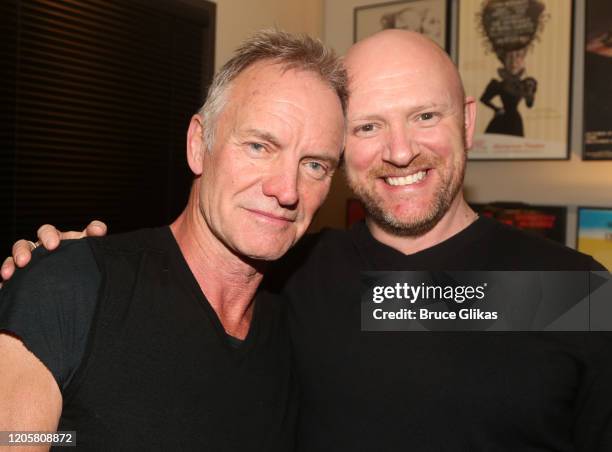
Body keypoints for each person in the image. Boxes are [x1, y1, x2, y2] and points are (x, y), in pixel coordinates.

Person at [4, 30, 611, 451]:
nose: (400, 150)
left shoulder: (572, 290)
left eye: (426, 116)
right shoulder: (303, 277)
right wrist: (68, 274)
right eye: (368, 126)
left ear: (469, 122)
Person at [0, 29, 347, 450]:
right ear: (199, 144)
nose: (287, 190)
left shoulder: (299, 325)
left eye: (314, 165)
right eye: (259, 146)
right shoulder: (69, 284)